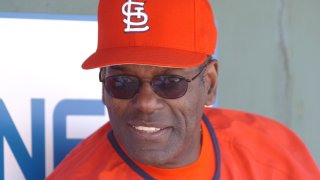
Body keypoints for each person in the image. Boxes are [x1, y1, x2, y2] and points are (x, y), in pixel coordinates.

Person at [47, 0, 320, 179]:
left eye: (169, 83)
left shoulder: (272, 151)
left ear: (209, 84)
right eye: (122, 83)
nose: (145, 103)